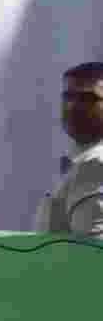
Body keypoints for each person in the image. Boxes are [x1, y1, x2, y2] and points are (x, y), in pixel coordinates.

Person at [37, 62, 103, 235]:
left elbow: (92, 249)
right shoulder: (80, 161)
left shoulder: (95, 164)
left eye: (88, 99)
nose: (73, 106)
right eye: (68, 97)